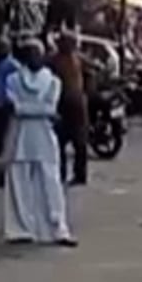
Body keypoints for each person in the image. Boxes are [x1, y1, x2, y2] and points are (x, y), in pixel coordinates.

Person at [2, 37, 76, 246]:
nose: (34, 57)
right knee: (19, 184)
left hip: (41, 135)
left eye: (37, 53)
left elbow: (48, 108)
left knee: (50, 183)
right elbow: (41, 110)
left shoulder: (53, 81)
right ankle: (21, 229)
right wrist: (37, 110)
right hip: (22, 136)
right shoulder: (13, 80)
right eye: (30, 53)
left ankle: (57, 227)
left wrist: (24, 109)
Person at [51, 33, 90, 187]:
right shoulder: (77, 58)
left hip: (66, 103)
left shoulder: (56, 60)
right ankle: (77, 174)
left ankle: (66, 173)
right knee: (76, 142)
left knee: (65, 141)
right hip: (76, 102)